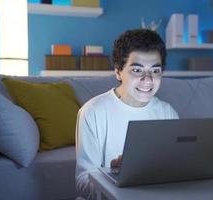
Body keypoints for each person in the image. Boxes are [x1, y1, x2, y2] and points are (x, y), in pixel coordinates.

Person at [75, 29, 179, 199]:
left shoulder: (168, 112)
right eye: (137, 70)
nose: (148, 80)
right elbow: (82, 181)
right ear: (118, 72)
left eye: (155, 71)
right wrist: (114, 177)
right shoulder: (92, 112)